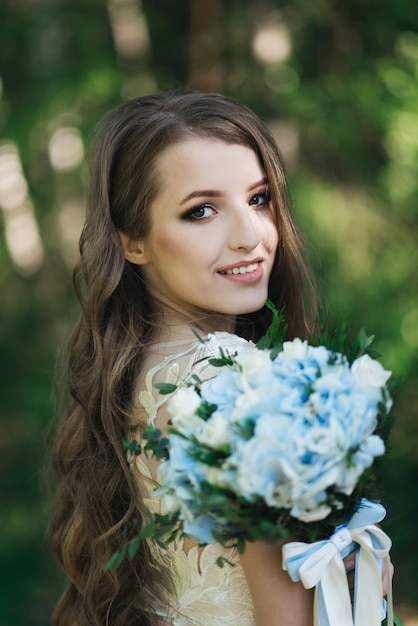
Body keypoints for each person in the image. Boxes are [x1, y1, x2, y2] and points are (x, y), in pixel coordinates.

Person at [49, 91, 387, 626]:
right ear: (132, 242)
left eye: (258, 199)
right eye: (201, 211)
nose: (249, 237)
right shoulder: (228, 387)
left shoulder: (142, 373)